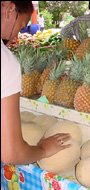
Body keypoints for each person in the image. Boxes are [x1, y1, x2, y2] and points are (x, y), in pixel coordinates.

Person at [1, 1, 71, 165]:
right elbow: (12, 154)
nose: (17, 36)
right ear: (10, 9)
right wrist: (44, 149)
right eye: (20, 26)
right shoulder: (6, 61)